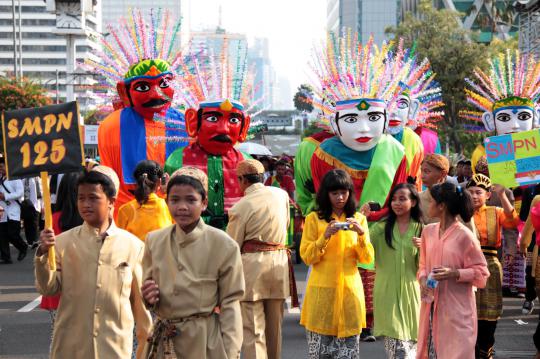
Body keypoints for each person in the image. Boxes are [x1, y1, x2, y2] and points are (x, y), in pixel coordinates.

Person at [35, 167, 152, 359]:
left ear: (111, 202)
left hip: (114, 348)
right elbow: (48, 288)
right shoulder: (62, 243)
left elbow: (142, 311)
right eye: (81, 198)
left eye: (93, 198)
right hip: (71, 348)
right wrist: (43, 255)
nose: (86, 204)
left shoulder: (133, 247)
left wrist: (145, 350)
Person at [141, 167, 245, 358]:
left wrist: (231, 351)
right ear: (166, 202)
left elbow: (231, 303)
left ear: (204, 203)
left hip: (205, 342)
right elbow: (148, 291)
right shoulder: (154, 241)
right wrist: (148, 297)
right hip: (164, 342)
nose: (182, 207)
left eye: (191, 200)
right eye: (175, 200)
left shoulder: (224, 245)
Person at [300, 169, 374, 358]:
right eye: (335, 193)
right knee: (320, 355)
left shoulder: (359, 219)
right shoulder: (313, 219)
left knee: (348, 355)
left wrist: (361, 235)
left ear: (350, 193)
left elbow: (367, 259)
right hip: (322, 295)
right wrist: (324, 237)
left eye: (344, 192)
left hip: (350, 294)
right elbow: (308, 257)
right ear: (326, 194)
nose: (340, 197)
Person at [227, 159, 294, 359]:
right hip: (279, 265)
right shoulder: (281, 195)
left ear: (242, 180)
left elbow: (232, 246)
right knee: (274, 329)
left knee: (253, 330)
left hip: (252, 270)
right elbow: (288, 224)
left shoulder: (240, 207)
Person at [416, 182, 489, 358]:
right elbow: (423, 266)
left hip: (457, 311)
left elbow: (482, 274)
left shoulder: (465, 236)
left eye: (431, 201)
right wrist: (424, 279)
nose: (428, 205)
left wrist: (455, 273)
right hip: (432, 308)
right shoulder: (428, 231)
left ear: (442, 206)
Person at [466, 174, 519, 358]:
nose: (474, 196)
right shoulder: (460, 213)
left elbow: (513, 222)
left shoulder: (495, 212)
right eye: (470, 192)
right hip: (466, 266)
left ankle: (485, 347)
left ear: (488, 195)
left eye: (478, 192)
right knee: (467, 311)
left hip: (490, 266)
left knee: (490, 312)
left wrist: (503, 195)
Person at [371, 183, 422, 358]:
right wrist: (361, 217)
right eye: (393, 199)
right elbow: (361, 247)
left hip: (412, 293)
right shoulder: (380, 228)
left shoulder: (421, 229)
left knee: (412, 347)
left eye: (402, 199)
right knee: (398, 349)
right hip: (387, 293)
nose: (396, 203)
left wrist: (425, 248)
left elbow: (427, 266)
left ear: (413, 202)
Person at [39, 172, 84, 342]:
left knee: (59, 340)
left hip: (57, 287)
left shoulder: (52, 221)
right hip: (83, 286)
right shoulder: (90, 220)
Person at [117, 160, 173, 241]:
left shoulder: (125, 210)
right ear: (159, 182)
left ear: (137, 181)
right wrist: (167, 192)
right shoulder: (168, 206)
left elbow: (120, 241)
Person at [0, 156, 27, 264]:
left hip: (13, 210)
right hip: (2, 211)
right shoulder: (0, 178)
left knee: (12, 234)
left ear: (7, 166)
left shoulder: (15, 178)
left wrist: (5, 196)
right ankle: (6, 257)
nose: (0, 169)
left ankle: (23, 247)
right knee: (2, 235)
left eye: (1, 167)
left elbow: (20, 193)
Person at [20, 176, 42, 249]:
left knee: (34, 224)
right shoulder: (23, 180)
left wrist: (43, 205)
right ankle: (29, 241)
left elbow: (41, 193)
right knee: (27, 224)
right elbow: (21, 193)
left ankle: (35, 241)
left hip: (35, 205)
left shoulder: (37, 179)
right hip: (26, 205)